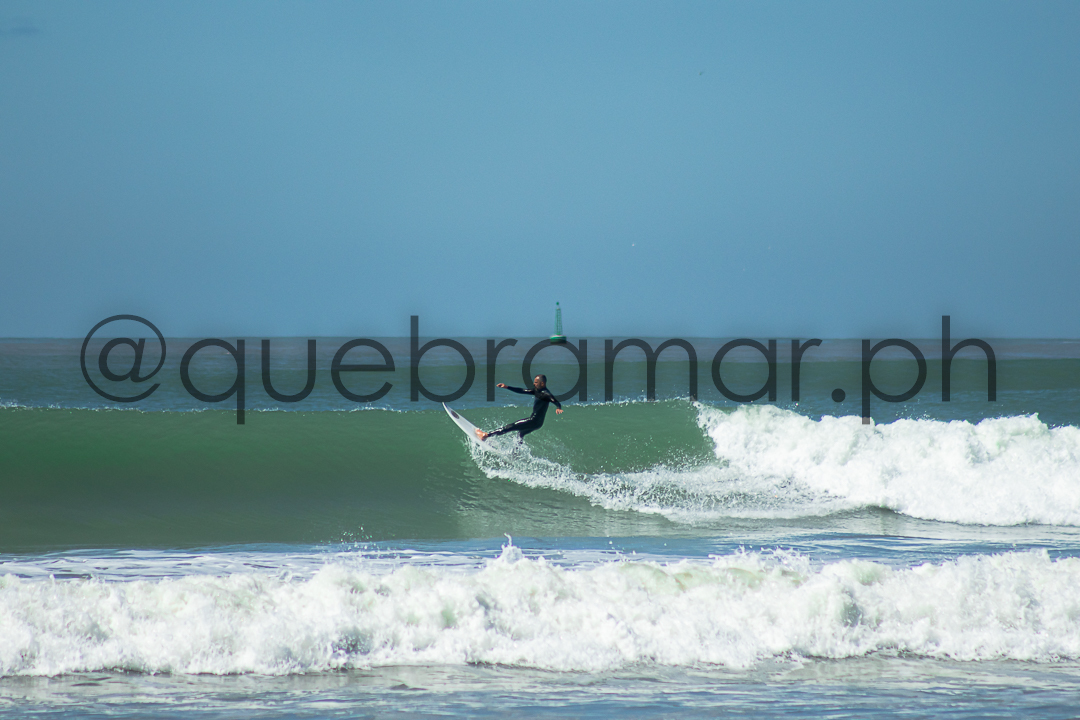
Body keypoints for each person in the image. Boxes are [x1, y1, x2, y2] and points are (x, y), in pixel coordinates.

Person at [477, 374, 563, 442]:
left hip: (533, 421)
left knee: (511, 426)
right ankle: (516, 453)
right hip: (538, 424)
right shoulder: (537, 391)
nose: (534, 384)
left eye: (536, 382)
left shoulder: (546, 394)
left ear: (542, 383)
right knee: (520, 434)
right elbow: (522, 390)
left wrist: (558, 407)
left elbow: (555, 401)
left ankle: (486, 435)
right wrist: (507, 387)